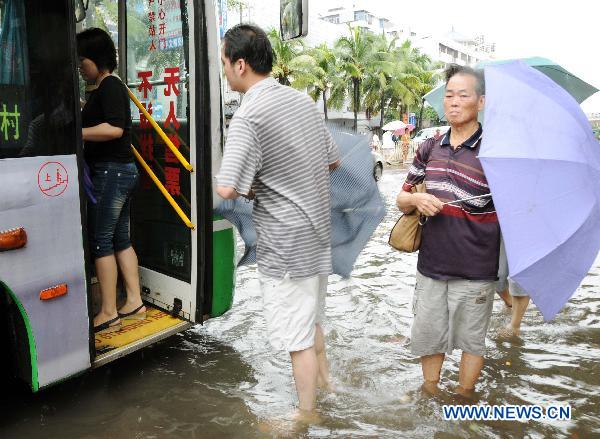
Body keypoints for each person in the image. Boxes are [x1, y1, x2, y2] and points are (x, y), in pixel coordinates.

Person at [215, 24, 340, 417]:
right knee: (311, 323)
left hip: (285, 245)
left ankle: (307, 414)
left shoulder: (249, 114)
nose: (222, 72)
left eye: (222, 63)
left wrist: (255, 184)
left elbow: (226, 188)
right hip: (318, 236)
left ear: (240, 64)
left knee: (296, 339)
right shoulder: (301, 101)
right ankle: (328, 386)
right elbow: (333, 160)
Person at [396, 64, 499, 397]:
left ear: (480, 102)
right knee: (428, 334)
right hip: (432, 263)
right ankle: (430, 394)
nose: (453, 102)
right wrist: (418, 199)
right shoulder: (430, 146)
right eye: (449, 95)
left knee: (472, 340)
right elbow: (401, 198)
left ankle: (464, 398)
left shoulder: (496, 151)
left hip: (477, 266)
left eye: (463, 96)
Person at [77, 28, 146, 333]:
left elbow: (116, 128)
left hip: (111, 173)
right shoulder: (106, 88)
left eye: (83, 61)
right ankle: (133, 302)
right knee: (120, 239)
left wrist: (76, 134)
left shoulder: (109, 86)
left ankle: (108, 311)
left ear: (96, 59)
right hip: (120, 172)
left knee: (101, 241)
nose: (80, 68)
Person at [496, 238, 530, 337]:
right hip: (496, 226)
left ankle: (515, 325)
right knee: (496, 274)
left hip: (525, 230)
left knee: (518, 277)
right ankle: (510, 302)